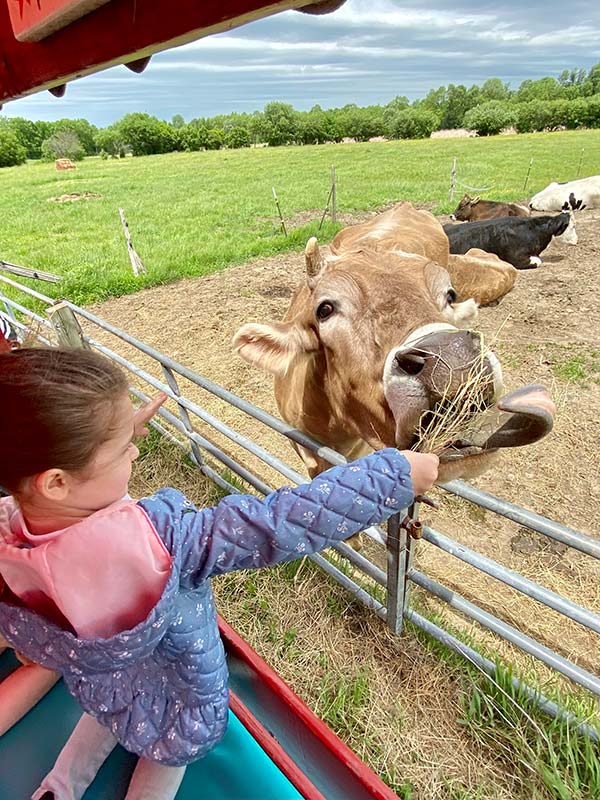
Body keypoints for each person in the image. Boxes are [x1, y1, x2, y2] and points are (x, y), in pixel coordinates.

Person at [0, 347, 438, 800]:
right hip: (179, 684)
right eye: (121, 448)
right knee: (169, 751)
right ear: (56, 480)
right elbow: (279, 521)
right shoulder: (164, 544)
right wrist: (395, 476)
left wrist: (101, 438)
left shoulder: (10, 540)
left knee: (115, 715)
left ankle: (59, 786)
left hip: (107, 687)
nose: (134, 448)